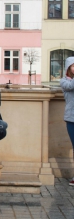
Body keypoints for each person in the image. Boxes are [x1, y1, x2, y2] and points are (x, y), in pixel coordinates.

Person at [60, 57, 74, 186]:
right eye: (73, 66)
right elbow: (70, 87)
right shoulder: (64, 81)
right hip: (71, 118)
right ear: (68, 68)